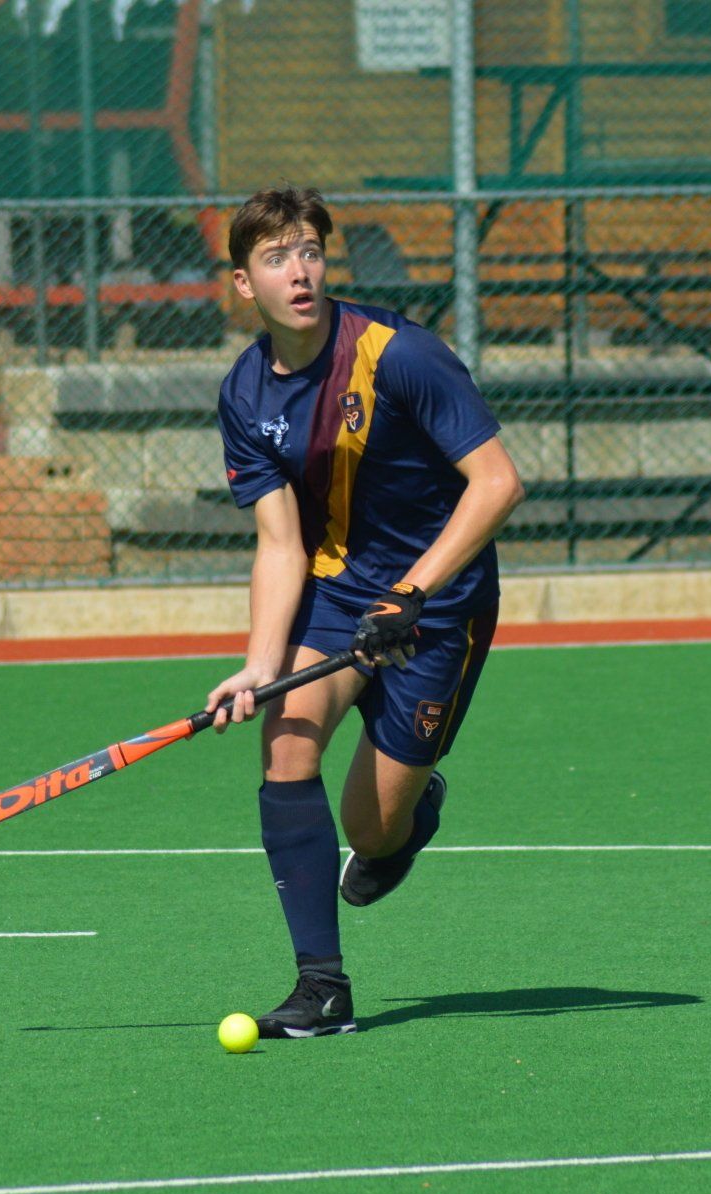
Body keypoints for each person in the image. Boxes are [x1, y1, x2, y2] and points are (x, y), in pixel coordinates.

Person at [203, 186, 525, 1039]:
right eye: (276, 258)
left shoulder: (400, 355)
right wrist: (260, 664)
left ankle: (409, 818)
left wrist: (412, 595)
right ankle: (322, 987)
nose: (299, 271)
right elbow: (280, 543)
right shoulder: (245, 394)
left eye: (309, 251)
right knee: (287, 738)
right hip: (338, 589)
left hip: (440, 604)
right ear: (244, 284)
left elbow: (498, 484)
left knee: (371, 829)